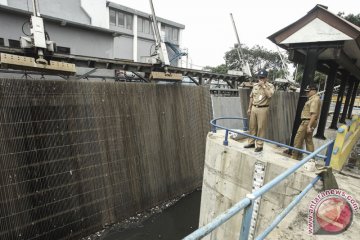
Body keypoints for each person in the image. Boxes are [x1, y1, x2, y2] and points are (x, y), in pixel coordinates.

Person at [244, 69, 275, 152]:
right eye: (260, 77)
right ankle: (251, 142)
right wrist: (249, 108)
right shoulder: (255, 86)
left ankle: (259, 145)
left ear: (266, 78)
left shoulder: (270, 86)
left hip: (263, 108)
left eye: (263, 78)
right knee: (252, 126)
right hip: (254, 107)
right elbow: (251, 97)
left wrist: (263, 86)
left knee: (261, 127)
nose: (261, 79)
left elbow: (269, 96)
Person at [292, 84, 321, 160]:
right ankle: (311, 158)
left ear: (314, 91)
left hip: (307, 122)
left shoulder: (314, 99)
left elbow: (314, 114)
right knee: (308, 140)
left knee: (298, 139)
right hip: (309, 121)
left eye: (308, 91)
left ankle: (294, 156)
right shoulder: (313, 99)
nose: (306, 93)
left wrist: (309, 126)